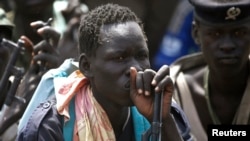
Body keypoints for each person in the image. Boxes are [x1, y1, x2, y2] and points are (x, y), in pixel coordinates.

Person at [16, 3, 193, 141]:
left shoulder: (162, 110)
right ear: (86, 66)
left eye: (141, 56)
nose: (136, 69)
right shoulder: (52, 126)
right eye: (120, 58)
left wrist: (164, 121)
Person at [170, 0, 250, 140]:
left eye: (239, 33)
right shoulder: (175, 94)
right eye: (215, 34)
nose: (227, 45)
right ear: (196, 33)